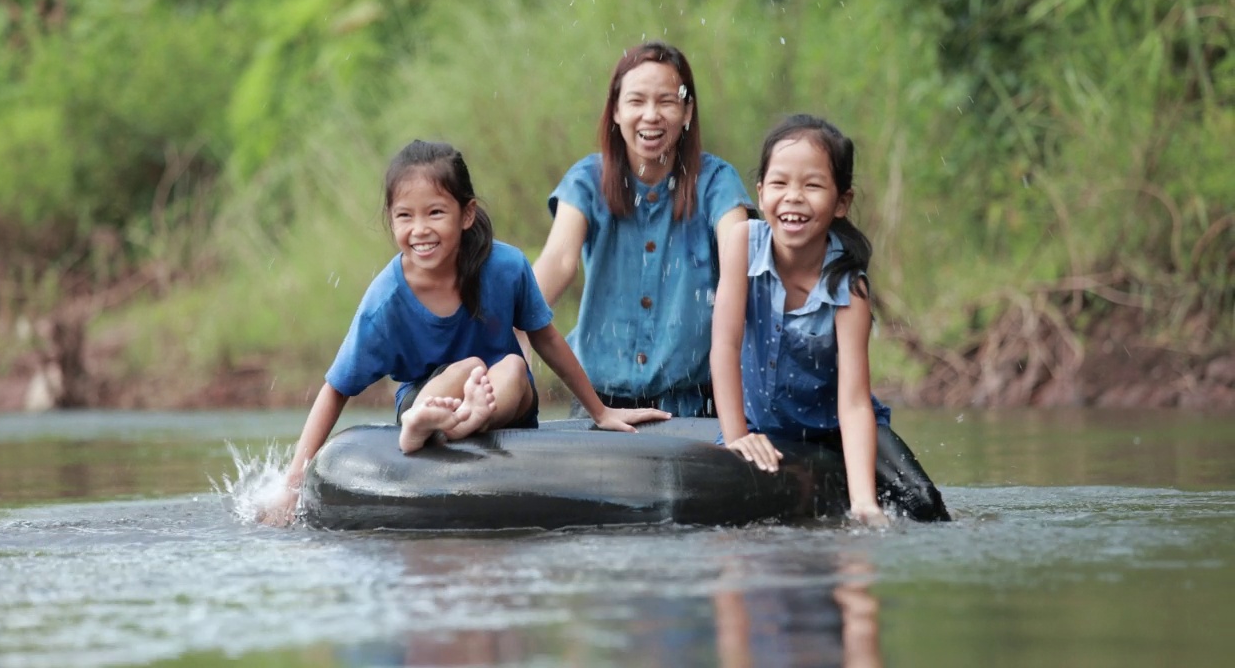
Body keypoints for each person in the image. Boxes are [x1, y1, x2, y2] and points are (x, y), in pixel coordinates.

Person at [263, 140, 669, 526]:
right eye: (405, 216)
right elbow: (336, 388)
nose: (420, 229)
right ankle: (430, 424)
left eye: (435, 213)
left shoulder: (506, 267)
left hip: (501, 402)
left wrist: (600, 411)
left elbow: (546, 339)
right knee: (467, 367)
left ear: (467, 213)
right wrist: (293, 485)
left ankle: (460, 423)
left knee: (510, 365)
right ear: (391, 220)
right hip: (429, 398)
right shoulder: (385, 301)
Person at [710, 114, 950, 524]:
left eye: (813, 185)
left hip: (835, 430)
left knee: (925, 505)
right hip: (761, 424)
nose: (794, 197)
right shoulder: (742, 243)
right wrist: (737, 437)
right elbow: (725, 346)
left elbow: (855, 403)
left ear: (842, 202)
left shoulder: (848, 288)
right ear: (762, 191)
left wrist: (862, 503)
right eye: (780, 183)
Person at [530, 41, 754, 418]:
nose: (651, 115)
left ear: (687, 111)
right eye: (636, 101)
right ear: (616, 111)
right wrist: (506, 325)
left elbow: (740, 251)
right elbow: (560, 260)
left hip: (693, 410)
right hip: (597, 406)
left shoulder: (717, 181)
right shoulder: (587, 180)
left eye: (666, 101)